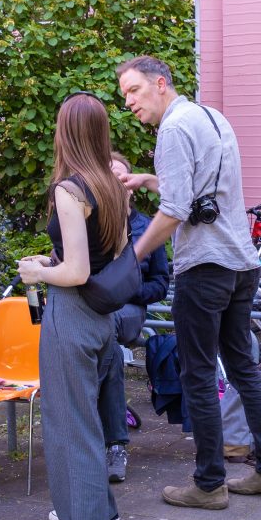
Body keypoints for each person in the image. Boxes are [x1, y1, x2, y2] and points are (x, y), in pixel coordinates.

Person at [116, 55, 261, 509]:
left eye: (133, 91)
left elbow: (175, 212)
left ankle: (210, 482)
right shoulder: (212, 117)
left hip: (204, 269)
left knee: (197, 374)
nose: (129, 102)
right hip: (241, 264)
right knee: (243, 367)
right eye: (124, 96)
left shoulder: (171, 130)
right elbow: (198, 192)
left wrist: (132, 258)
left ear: (160, 83)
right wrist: (148, 179)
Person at [17, 93, 131, 520]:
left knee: (70, 429)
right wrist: (56, 259)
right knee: (87, 426)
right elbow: (105, 256)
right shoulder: (112, 185)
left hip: (73, 316)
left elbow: (78, 272)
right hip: (103, 320)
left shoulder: (70, 189)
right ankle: (98, 514)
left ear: (64, 133)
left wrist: (38, 272)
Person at [98, 150, 172, 483]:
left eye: (121, 177)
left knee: (103, 329)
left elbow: (160, 284)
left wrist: (126, 290)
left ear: (131, 186)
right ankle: (112, 441)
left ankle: (108, 439)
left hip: (128, 310)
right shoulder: (90, 223)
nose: (116, 183)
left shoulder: (148, 227)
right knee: (106, 348)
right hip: (98, 311)